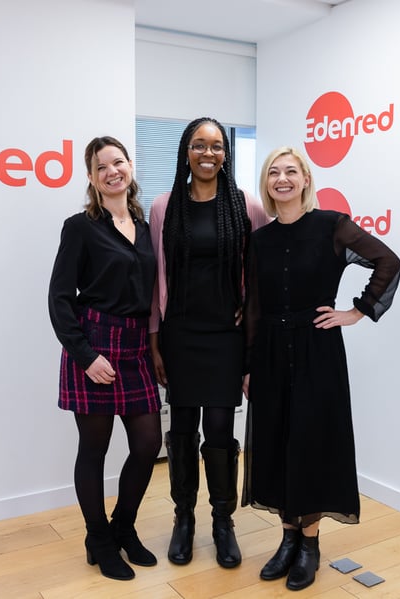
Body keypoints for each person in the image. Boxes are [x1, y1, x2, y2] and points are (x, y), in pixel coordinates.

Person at [241, 147, 400, 591]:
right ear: (267, 184)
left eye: (291, 171)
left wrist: (358, 310)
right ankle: (287, 539)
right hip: (271, 353)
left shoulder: (332, 225)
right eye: (274, 173)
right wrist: (248, 364)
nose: (282, 179)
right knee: (276, 442)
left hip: (317, 349)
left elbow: (388, 261)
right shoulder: (258, 240)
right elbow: (253, 306)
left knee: (311, 443)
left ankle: (309, 544)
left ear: (306, 179)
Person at [149, 117, 271, 568]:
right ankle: (185, 519)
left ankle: (223, 521)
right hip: (179, 334)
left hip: (226, 336)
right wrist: (155, 340)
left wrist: (250, 314)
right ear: (186, 151)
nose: (208, 153)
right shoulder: (165, 206)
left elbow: (261, 272)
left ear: (226, 153)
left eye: (217, 146)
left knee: (220, 431)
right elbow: (157, 276)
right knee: (181, 430)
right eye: (199, 144)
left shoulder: (246, 205)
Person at [48, 136, 162, 581]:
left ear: (130, 166)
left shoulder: (145, 225)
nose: (113, 171)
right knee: (93, 449)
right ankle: (98, 538)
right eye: (102, 167)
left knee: (148, 443)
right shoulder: (80, 227)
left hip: (134, 346)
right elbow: (60, 298)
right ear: (92, 177)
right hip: (93, 344)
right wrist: (84, 354)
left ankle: (124, 528)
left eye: (118, 162)